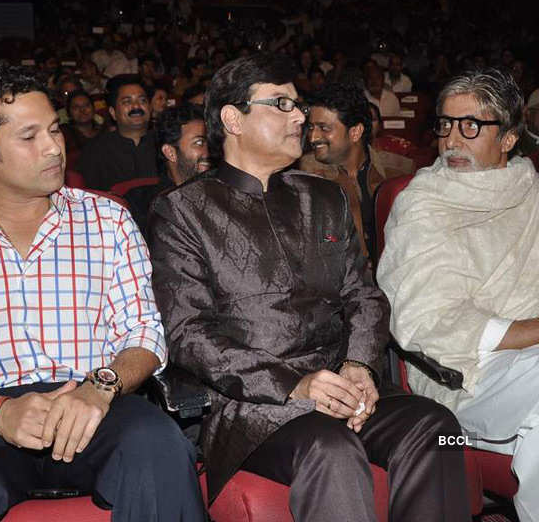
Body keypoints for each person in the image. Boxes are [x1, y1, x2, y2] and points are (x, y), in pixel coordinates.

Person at [148, 53, 470, 522]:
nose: (300, 116)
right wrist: (295, 384)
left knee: (441, 429)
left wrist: (359, 364)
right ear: (232, 119)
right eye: (281, 103)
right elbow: (188, 335)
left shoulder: (322, 196)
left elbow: (364, 295)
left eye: (298, 104)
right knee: (331, 446)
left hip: (342, 384)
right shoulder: (183, 211)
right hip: (256, 406)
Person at [0, 63, 204, 522]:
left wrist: (99, 389)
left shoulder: (107, 220)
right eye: (29, 137)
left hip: (93, 405)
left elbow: (143, 332)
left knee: (158, 445)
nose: (53, 148)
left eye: (55, 130)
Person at [377, 68, 538, 522]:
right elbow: (424, 322)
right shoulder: (421, 202)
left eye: (471, 126)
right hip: (463, 376)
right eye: (446, 125)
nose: (452, 141)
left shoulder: (532, 192)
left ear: (508, 138)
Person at [300, 81, 412, 260]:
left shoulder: (397, 171)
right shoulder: (308, 175)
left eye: (324, 128)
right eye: (311, 127)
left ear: (355, 132)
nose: (313, 137)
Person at [125, 103, 211, 234]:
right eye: (199, 143)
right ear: (170, 152)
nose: (208, 152)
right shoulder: (146, 205)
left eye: (210, 143)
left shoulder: (222, 193)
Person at [78, 74, 158, 190]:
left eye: (142, 100)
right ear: (113, 112)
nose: (136, 106)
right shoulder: (94, 150)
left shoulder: (166, 145)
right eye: (127, 102)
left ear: (150, 108)